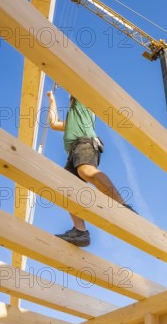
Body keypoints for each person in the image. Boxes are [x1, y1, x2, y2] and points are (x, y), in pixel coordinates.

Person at [46, 91, 135, 247]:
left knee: (85, 171)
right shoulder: (71, 119)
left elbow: (72, 79)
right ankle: (80, 231)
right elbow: (54, 123)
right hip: (73, 153)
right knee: (67, 187)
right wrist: (52, 99)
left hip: (85, 144)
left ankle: (122, 206)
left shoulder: (83, 102)